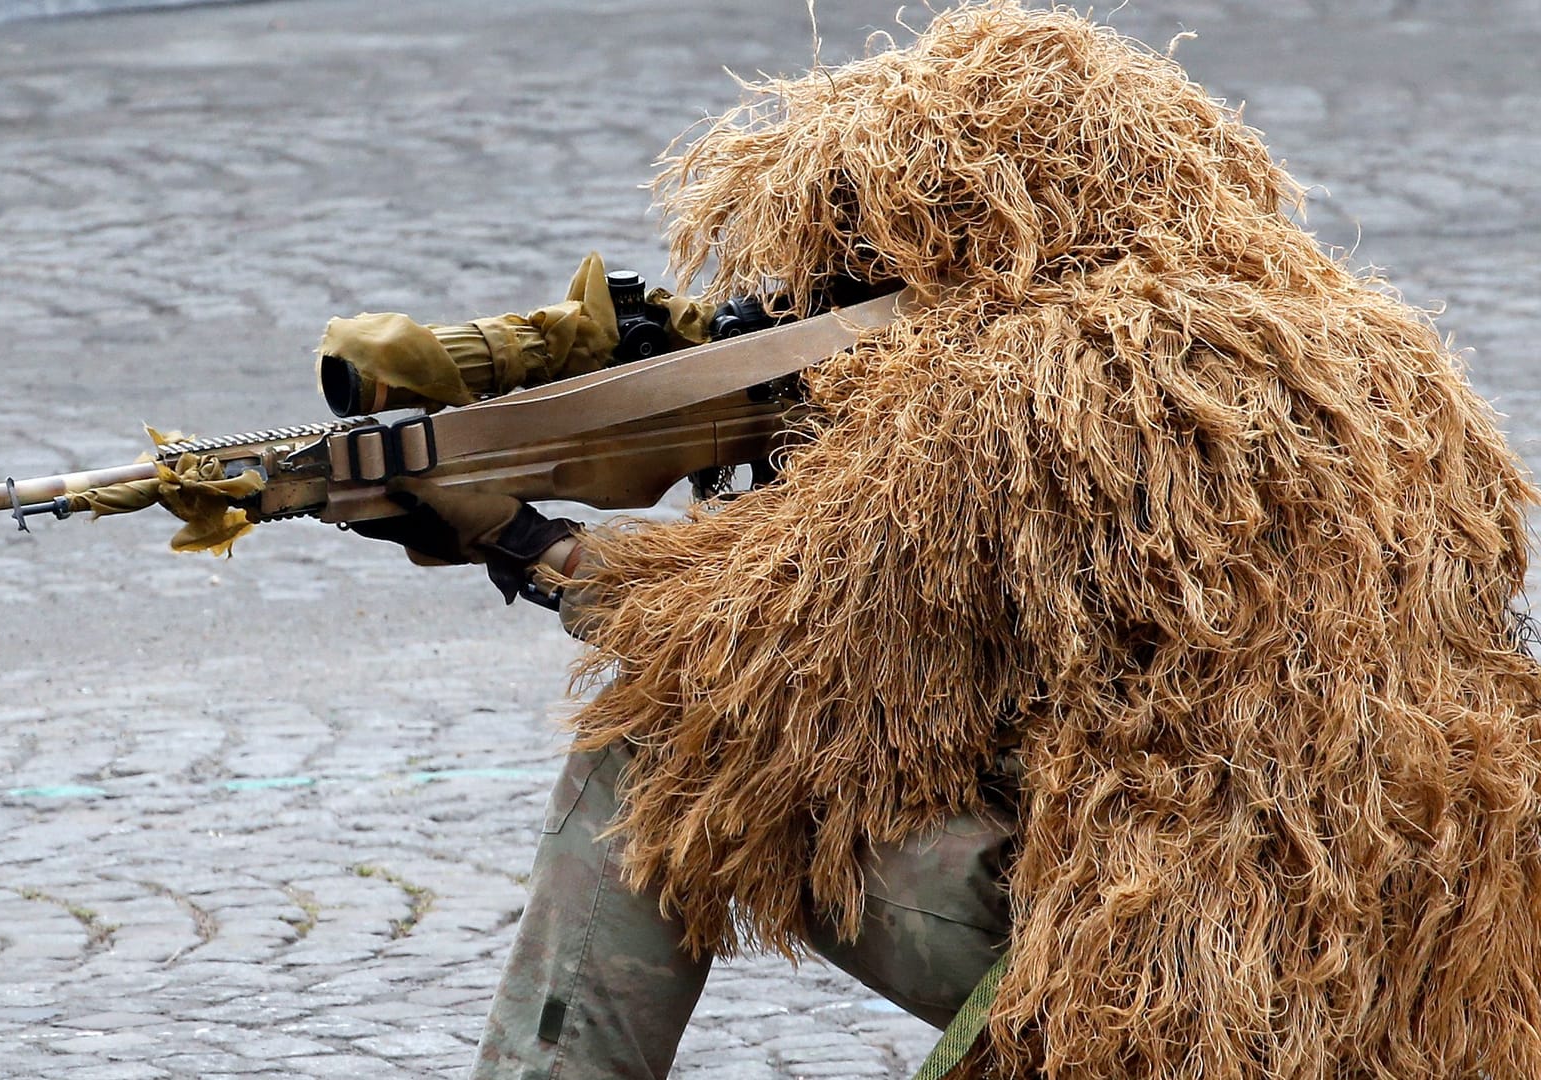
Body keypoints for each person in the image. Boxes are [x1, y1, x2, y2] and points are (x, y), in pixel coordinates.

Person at [345, 3, 1541, 1076]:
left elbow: (753, 658)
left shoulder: (1019, 390)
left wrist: (522, 540)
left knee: (655, 750)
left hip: (1191, 994)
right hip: (1452, 976)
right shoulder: (1374, 355)